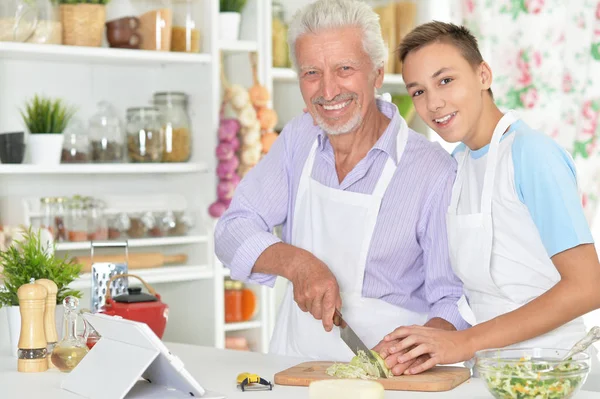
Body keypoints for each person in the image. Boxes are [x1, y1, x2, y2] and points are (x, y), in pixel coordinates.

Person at [214, 0, 468, 368]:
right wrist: (297, 263)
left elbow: (453, 298)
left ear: (377, 74)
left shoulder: (433, 171)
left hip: (390, 381)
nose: (328, 91)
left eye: (344, 69)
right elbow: (232, 228)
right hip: (294, 369)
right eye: (311, 73)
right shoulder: (298, 138)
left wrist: (416, 351)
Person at [379, 21, 600, 379]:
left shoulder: (532, 154)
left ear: (483, 75)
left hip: (554, 373)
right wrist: (420, 344)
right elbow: (479, 293)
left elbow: (588, 287)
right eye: (417, 91)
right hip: (492, 374)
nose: (433, 103)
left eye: (445, 80)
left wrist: (465, 342)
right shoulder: (458, 166)